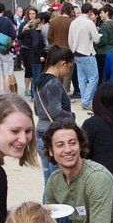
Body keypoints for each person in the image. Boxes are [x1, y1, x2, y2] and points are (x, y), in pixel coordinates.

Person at [33, 46, 74, 183]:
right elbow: (56, 112)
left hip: (40, 132)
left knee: (48, 181)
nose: (68, 71)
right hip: (54, 135)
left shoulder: (39, 80)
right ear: (63, 64)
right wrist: (71, 116)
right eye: (69, 67)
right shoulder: (54, 82)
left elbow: (37, 111)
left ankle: (46, 205)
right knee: (59, 181)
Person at [69, 3, 102, 110]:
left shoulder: (73, 22)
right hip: (87, 53)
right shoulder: (89, 23)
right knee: (93, 78)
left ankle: (85, 100)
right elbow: (96, 39)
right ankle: (86, 101)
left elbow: (70, 39)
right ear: (90, 12)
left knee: (82, 79)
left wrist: (73, 50)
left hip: (76, 53)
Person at [47, 2, 75, 93]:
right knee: (67, 74)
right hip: (68, 51)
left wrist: (53, 44)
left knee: (55, 71)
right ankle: (65, 92)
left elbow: (49, 37)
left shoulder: (54, 21)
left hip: (55, 50)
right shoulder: (72, 22)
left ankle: (54, 91)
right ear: (70, 11)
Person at [17, 7, 41, 95]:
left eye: (33, 14)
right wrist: (23, 31)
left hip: (35, 50)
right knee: (28, 69)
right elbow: (19, 37)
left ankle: (34, 88)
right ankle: (27, 88)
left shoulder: (39, 24)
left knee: (35, 70)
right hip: (26, 49)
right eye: (30, 14)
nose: (31, 15)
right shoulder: (24, 24)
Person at [94, 4, 113, 79]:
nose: (100, 15)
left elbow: (103, 41)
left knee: (101, 76)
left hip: (102, 53)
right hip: (112, 51)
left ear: (107, 13)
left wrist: (95, 41)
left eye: (101, 13)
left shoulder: (104, 25)